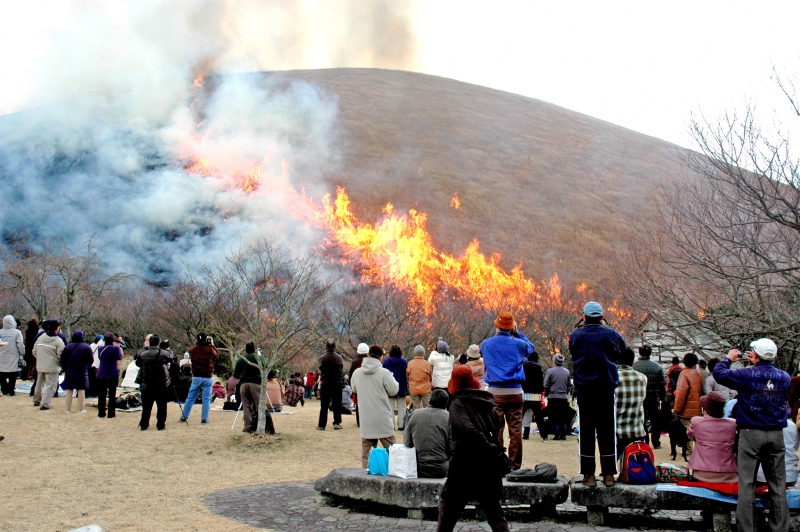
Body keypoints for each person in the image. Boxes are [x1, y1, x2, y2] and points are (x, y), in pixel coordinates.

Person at [714, 338, 791, 532]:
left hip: (751, 432)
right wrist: (757, 362)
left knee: (747, 483)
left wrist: (728, 359)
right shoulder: (785, 377)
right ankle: (779, 527)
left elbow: (719, 374)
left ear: (754, 354)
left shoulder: (746, 375)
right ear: (775, 355)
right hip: (776, 434)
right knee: (777, 484)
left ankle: (746, 528)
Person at [437, 365, 509, 532]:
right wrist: (490, 447)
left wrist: (485, 443)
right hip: (488, 465)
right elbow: (496, 428)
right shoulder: (488, 404)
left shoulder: (457, 403)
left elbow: (465, 429)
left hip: (464, 463)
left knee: (448, 508)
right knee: (494, 511)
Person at [570, 301, 626, 486]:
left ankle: (589, 474)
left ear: (584, 317)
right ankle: (609, 474)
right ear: (602, 317)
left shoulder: (575, 335)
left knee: (586, 431)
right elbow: (623, 349)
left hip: (585, 389)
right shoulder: (611, 334)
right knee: (607, 431)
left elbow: (573, 352)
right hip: (606, 389)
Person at [480, 310, 534, 471]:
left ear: (497, 326)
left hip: (495, 392)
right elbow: (530, 348)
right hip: (515, 391)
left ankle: (497, 463)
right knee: (515, 430)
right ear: (511, 327)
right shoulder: (518, 344)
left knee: (495, 429)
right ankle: (514, 464)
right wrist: (518, 334)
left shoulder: (486, 344)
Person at [351, 345, 399, 468]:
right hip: (382, 417)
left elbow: (354, 388)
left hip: (366, 417)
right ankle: (393, 472)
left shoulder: (357, 373)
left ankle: (365, 477)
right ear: (381, 357)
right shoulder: (384, 373)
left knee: (366, 454)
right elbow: (393, 391)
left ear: (368, 355)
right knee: (392, 451)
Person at [686, 391, 738, 483]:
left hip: (701, 474)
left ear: (705, 409)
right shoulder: (732, 423)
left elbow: (691, 435)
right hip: (728, 474)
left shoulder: (696, 422)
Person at [403, 388, 450, 478]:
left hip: (417, 467)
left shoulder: (415, 414)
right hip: (442, 468)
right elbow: (452, 446)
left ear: (429, 401)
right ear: (446, 403)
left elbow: (407, 442)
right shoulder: (448, 417)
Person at [137, 334, 175, 430]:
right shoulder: (163, 353)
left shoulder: (143, 353)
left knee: (146, 406)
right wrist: (167, 349)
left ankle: (144, 424)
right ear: (159, 343)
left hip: (147, 383)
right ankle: (160, 424)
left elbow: (138, 362)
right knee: (162, 406)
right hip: (160, 384)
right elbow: (171, 357)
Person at [180, 332, 219, 425]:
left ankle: (184, 416)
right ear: (206, 339)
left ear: (197, 340)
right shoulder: (209, 349)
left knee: (190, 397)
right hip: (208, 376)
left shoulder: (192, 350)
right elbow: (216, 356)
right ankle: (204, 418)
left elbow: (194, 350)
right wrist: (212, 345)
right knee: (206, 398)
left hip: (196, 376)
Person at [615, 347, 647, 459]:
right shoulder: (643, 378)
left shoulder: (612, 378)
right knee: (634, 468)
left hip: (616, 430)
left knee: (615, 465)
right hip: (636, 429)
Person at [633, 345, 666, 449]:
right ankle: (656, 443)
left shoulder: (634, 366)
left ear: (639, 353)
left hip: (640, 399)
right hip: (653, 398)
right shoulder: (658, 367)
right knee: (655, 421)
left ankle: (645, 441)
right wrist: (662, 398)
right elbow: (662, 385)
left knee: (642, 421)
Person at [673, 353, 703, 457]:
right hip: (698, 408)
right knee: (697, 430)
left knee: (688, 430)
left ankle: (688, 450)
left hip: (686, 408)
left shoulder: (684, 374)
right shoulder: (698, 374)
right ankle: (698, 450)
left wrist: (676, 409)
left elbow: (681, 393)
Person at [233, 342, 265, 433]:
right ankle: (258, 425)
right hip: (256, 384)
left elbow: (236, 375)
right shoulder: (259, 359)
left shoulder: (240, 360)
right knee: (258, 405)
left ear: (246, 349)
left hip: (243, 384)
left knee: (246, 405)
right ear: (255, 350)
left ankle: (247, 426)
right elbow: (266, 369)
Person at [757, 417, 799, 487]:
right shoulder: (792, 425)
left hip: (763, 476)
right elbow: (795, 446)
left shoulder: (760, 423)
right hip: (789, 475)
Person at [32, 320, 65, 410]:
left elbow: (34, 351)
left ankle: (36, 400)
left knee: (39, 383)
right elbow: (60, 355)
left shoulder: (41, 338)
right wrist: (61, 364)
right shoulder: (59, 341)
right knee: (51, 386)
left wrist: (40, 359)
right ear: (57, 329)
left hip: (41, 365)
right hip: (53, 367)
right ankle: (45, 404)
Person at [60, 330, 94, 414]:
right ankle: (80, 409)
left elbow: (62, 359)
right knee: (81, 389)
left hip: (70, 370)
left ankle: (68, 409)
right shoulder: (87, 347)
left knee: (69, 389)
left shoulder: (68, 347)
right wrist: (87, 366)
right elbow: (91, 359)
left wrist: (65, 367)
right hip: (82, 370)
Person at [318, 339, 345, 430]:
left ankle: (322, 425)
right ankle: (337, 422)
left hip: (326, 383)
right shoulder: (339, 358)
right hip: (337, 383)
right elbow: (341, 369)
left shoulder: (322, 358)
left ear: (326, 347)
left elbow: (321, 369)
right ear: (335, 347)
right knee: (337, 403)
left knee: (324, 404)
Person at [96, 332, 124, 418]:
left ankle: (101, 412)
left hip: (102, 373)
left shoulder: (100, 348)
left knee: (102, 394)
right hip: (112, 372)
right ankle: (111, 413)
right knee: (112, 394)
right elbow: (120, 357)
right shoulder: (116, 349)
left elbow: (100, 358)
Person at [543, 354, 571, 440]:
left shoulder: (550, 371)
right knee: (562, 417)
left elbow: (546, 384)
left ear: (554, 361)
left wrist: (547, 393)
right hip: (563, 397)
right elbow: (569, 385)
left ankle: (557, 434)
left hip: (553, 396)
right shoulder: (567, 371)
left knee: (553, 417)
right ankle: (563, 434)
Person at [521, 351, 547, 442]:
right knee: (539, 416)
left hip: (525, 394)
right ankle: (544, 436)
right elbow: (541, 382)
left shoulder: (523, 367)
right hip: (536, 395)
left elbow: (522, 380)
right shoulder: (539, 368)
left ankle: (524, 434)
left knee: (521, 415)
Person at [382, 345, 408, 430]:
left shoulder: (386, 362)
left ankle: (391, 425)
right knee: (402, 408)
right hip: (401, 387)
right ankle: (401, 425)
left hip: (389, 388)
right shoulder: (404, 361)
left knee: (390, 408)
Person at [0, 315, 25, 396]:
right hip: (13, 356)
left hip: (1, 357)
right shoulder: (17, 332)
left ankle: (4, 389)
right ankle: (11, 390)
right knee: (12, 375)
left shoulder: (0, 332)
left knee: (2, 374)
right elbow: (20, 344)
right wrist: (22, 352)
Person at [407, 345, 433, 409]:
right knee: (427, 407)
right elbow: (431, 377)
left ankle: (416, 418)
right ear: (423, 353)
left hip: (414, 389)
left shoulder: (410, 363)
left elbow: (407, 376)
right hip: (426, 389)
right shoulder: (427, 364)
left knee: (415, 408)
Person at [23, 318, 38, 383]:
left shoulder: (27, 330)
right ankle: (32, 375)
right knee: (33, 363)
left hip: (27, 347)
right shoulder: (36, 331)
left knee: (27, 363)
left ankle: (25, 375)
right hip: (33, 346)